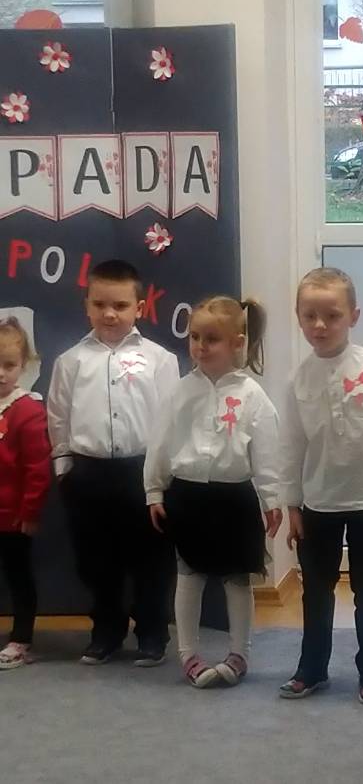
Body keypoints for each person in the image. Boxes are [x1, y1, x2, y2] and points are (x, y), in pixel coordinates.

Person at [279, 267, 363, 705]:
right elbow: (291, 445)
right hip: (317, 502)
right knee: (316, 591)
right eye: (309, 315)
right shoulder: (298, 379)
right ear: (298, 317)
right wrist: (292, 504)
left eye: (332, 315)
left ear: (353, 316)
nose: (320, 325)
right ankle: (311, 669)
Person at [47, 259, 179, 667]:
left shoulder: (160, 360)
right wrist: (65, 469)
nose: (110, 314)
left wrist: (164, 474)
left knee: (151, 558)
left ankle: (152, 632)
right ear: (86, 305)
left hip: (143, 472)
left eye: (120, 305)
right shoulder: (70, 361)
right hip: (88, 473)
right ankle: (106, 630)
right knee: (96, 560)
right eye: (100, 304)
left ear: (139, 307)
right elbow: (58, 416)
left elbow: (172, 417)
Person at [145, 296, 282, 688]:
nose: (200, 346)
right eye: (195, 337)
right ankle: (189, 654)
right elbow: (160, 442)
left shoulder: (252, 395)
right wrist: (154, 490)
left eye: (212, 339)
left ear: (237, 343)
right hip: (187, 498)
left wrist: (271, 498)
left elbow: (267, 450)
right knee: (189, 576)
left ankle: (240, 653)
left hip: (234, 499)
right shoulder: (179, 392)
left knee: (238, 579)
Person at [0, 318, 52, 670]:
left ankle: (21, 638)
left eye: (9, 365)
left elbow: (37, 469)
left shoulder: (28, 410)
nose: (1, 373)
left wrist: (30, 512)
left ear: (24, 365)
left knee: (18, 576)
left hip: (12, 517)